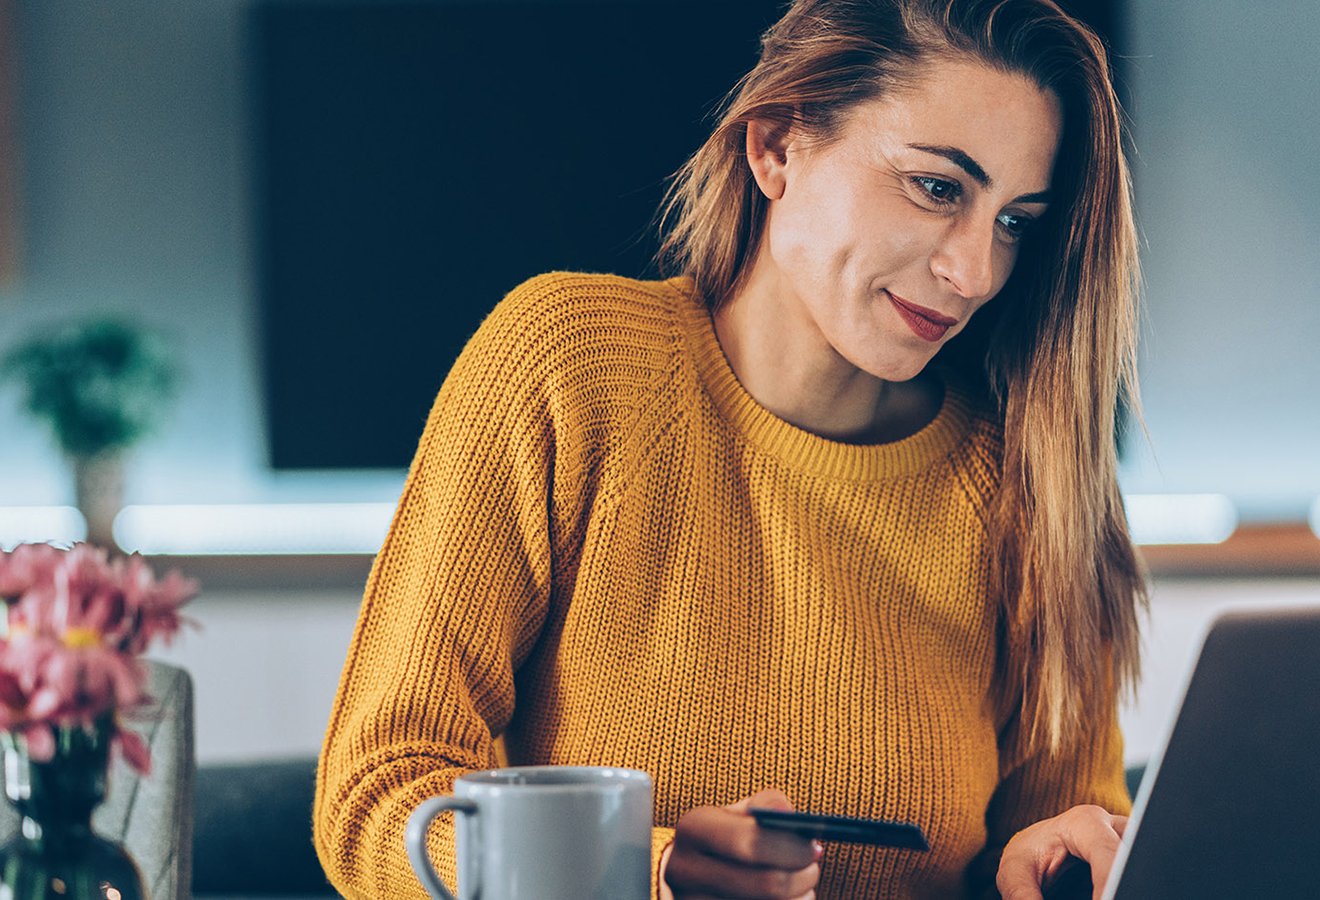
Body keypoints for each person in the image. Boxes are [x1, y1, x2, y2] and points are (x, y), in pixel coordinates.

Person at [312, 0, 1147, 897]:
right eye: (938, 188)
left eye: (1016, 220)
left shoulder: (1033, 476)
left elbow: (1063, 840)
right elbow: (377, 795)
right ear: (777, 146)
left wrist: (1050, 862)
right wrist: (651, 874)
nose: (975, 271)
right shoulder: (568, 369)